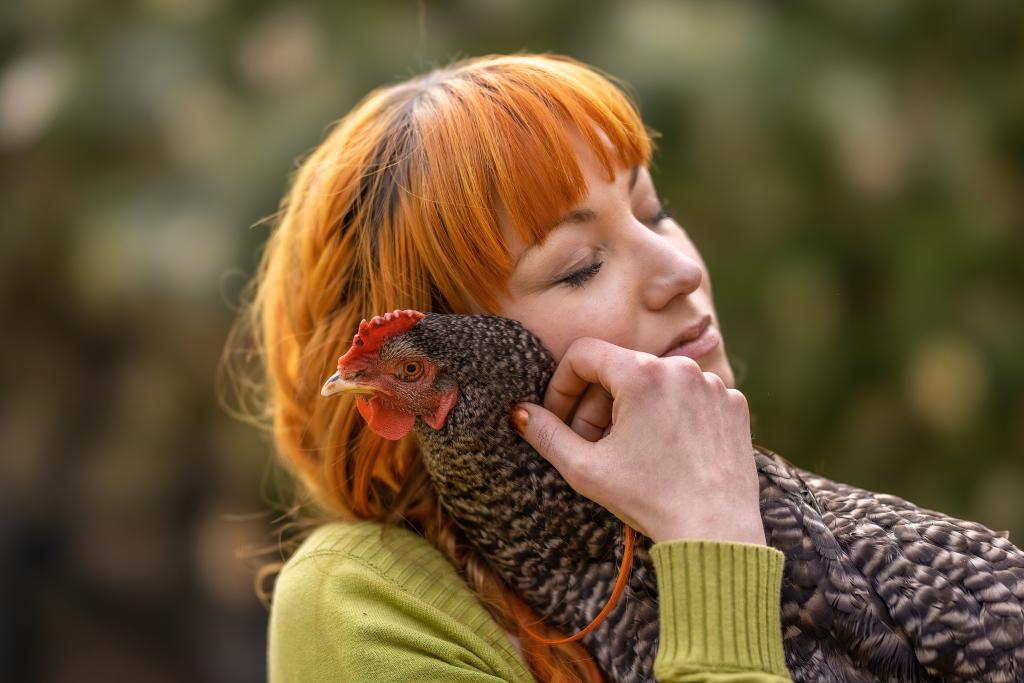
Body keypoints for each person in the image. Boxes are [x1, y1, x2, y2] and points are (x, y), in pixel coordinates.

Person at [232, 53, 792, 682]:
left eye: (654, 210)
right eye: (579, 264)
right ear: (458, 358)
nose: (681, 270)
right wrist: (715, 548)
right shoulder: (368, 605)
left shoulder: (776, 516)